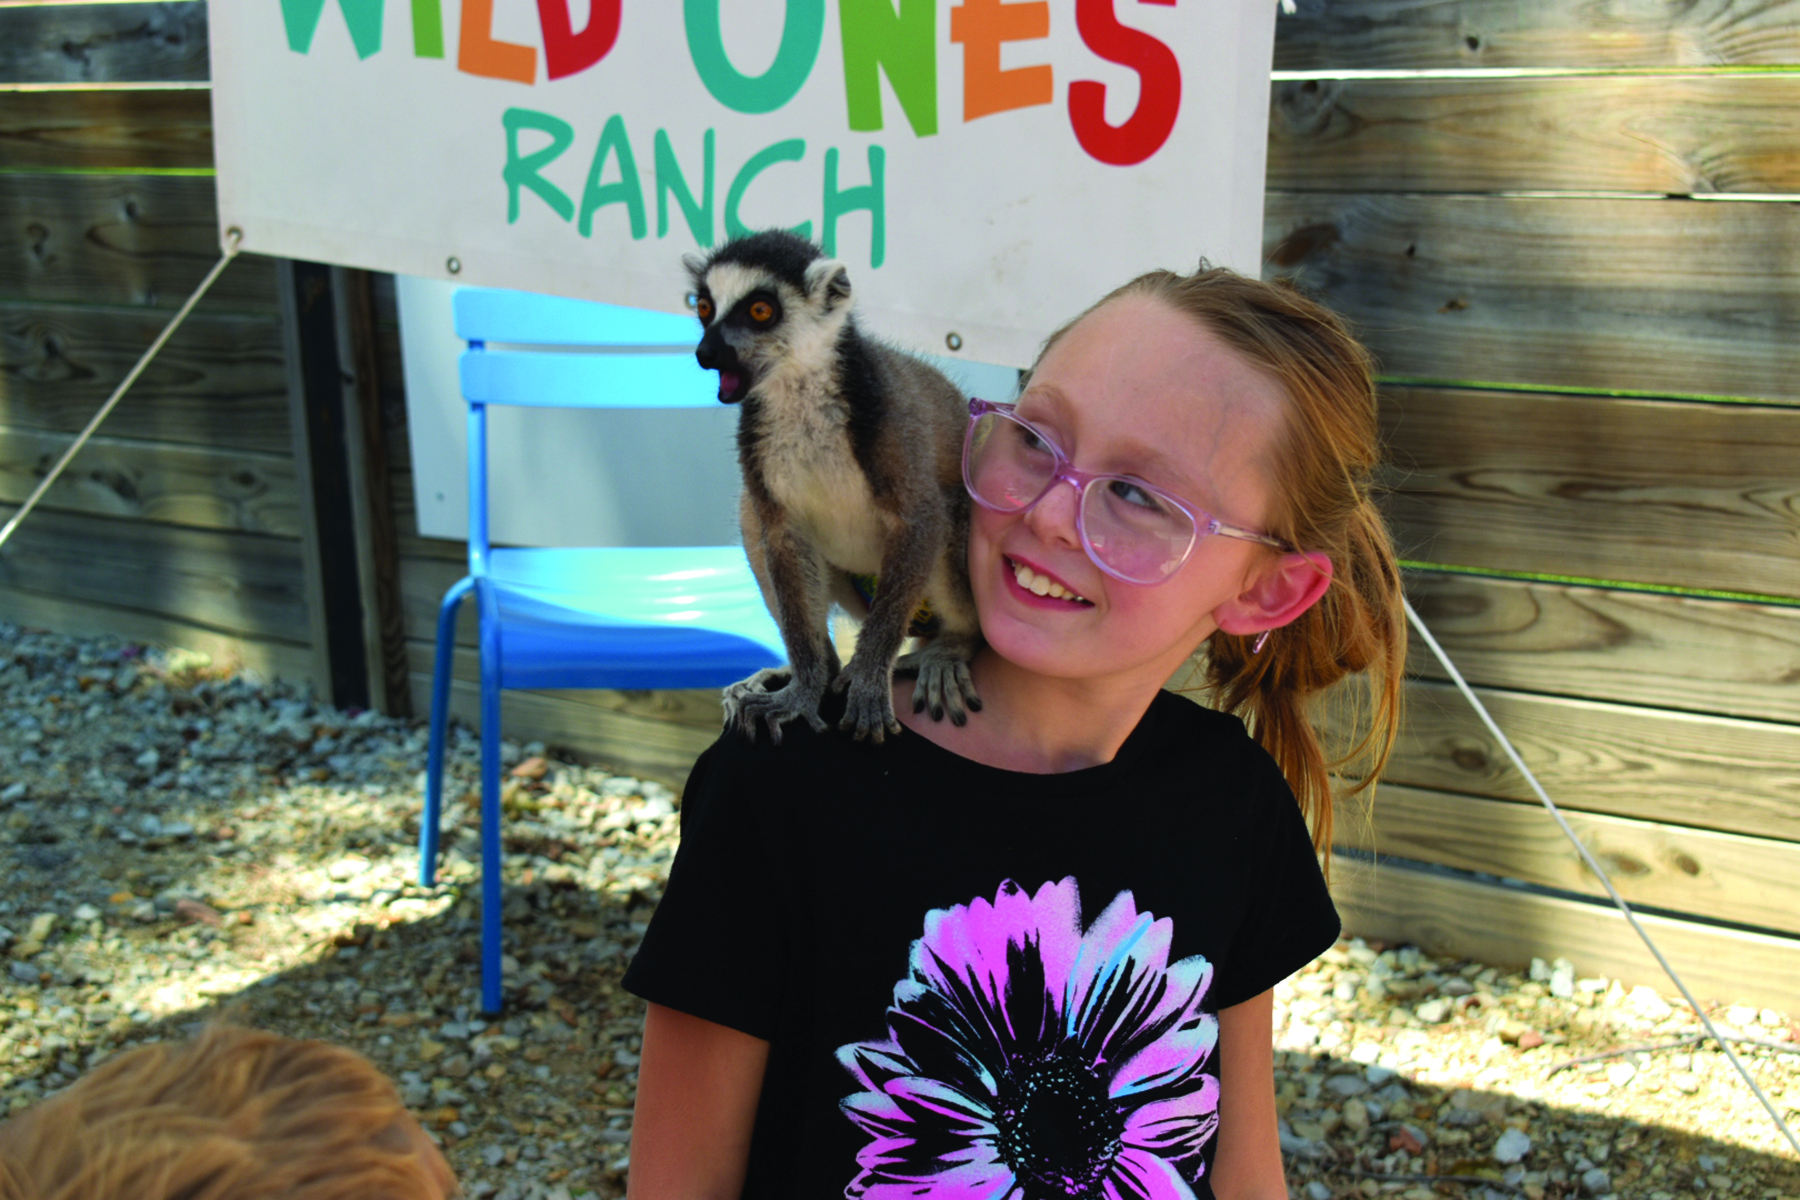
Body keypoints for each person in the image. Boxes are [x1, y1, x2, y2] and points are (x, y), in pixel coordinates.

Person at [621, 264, 1407, 1200]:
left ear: (1266, 591)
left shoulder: (1231, 803)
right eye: (1035, 438)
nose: (1046, 513)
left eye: (1140, 497)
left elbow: (1239, 1169)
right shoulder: (783, 787)